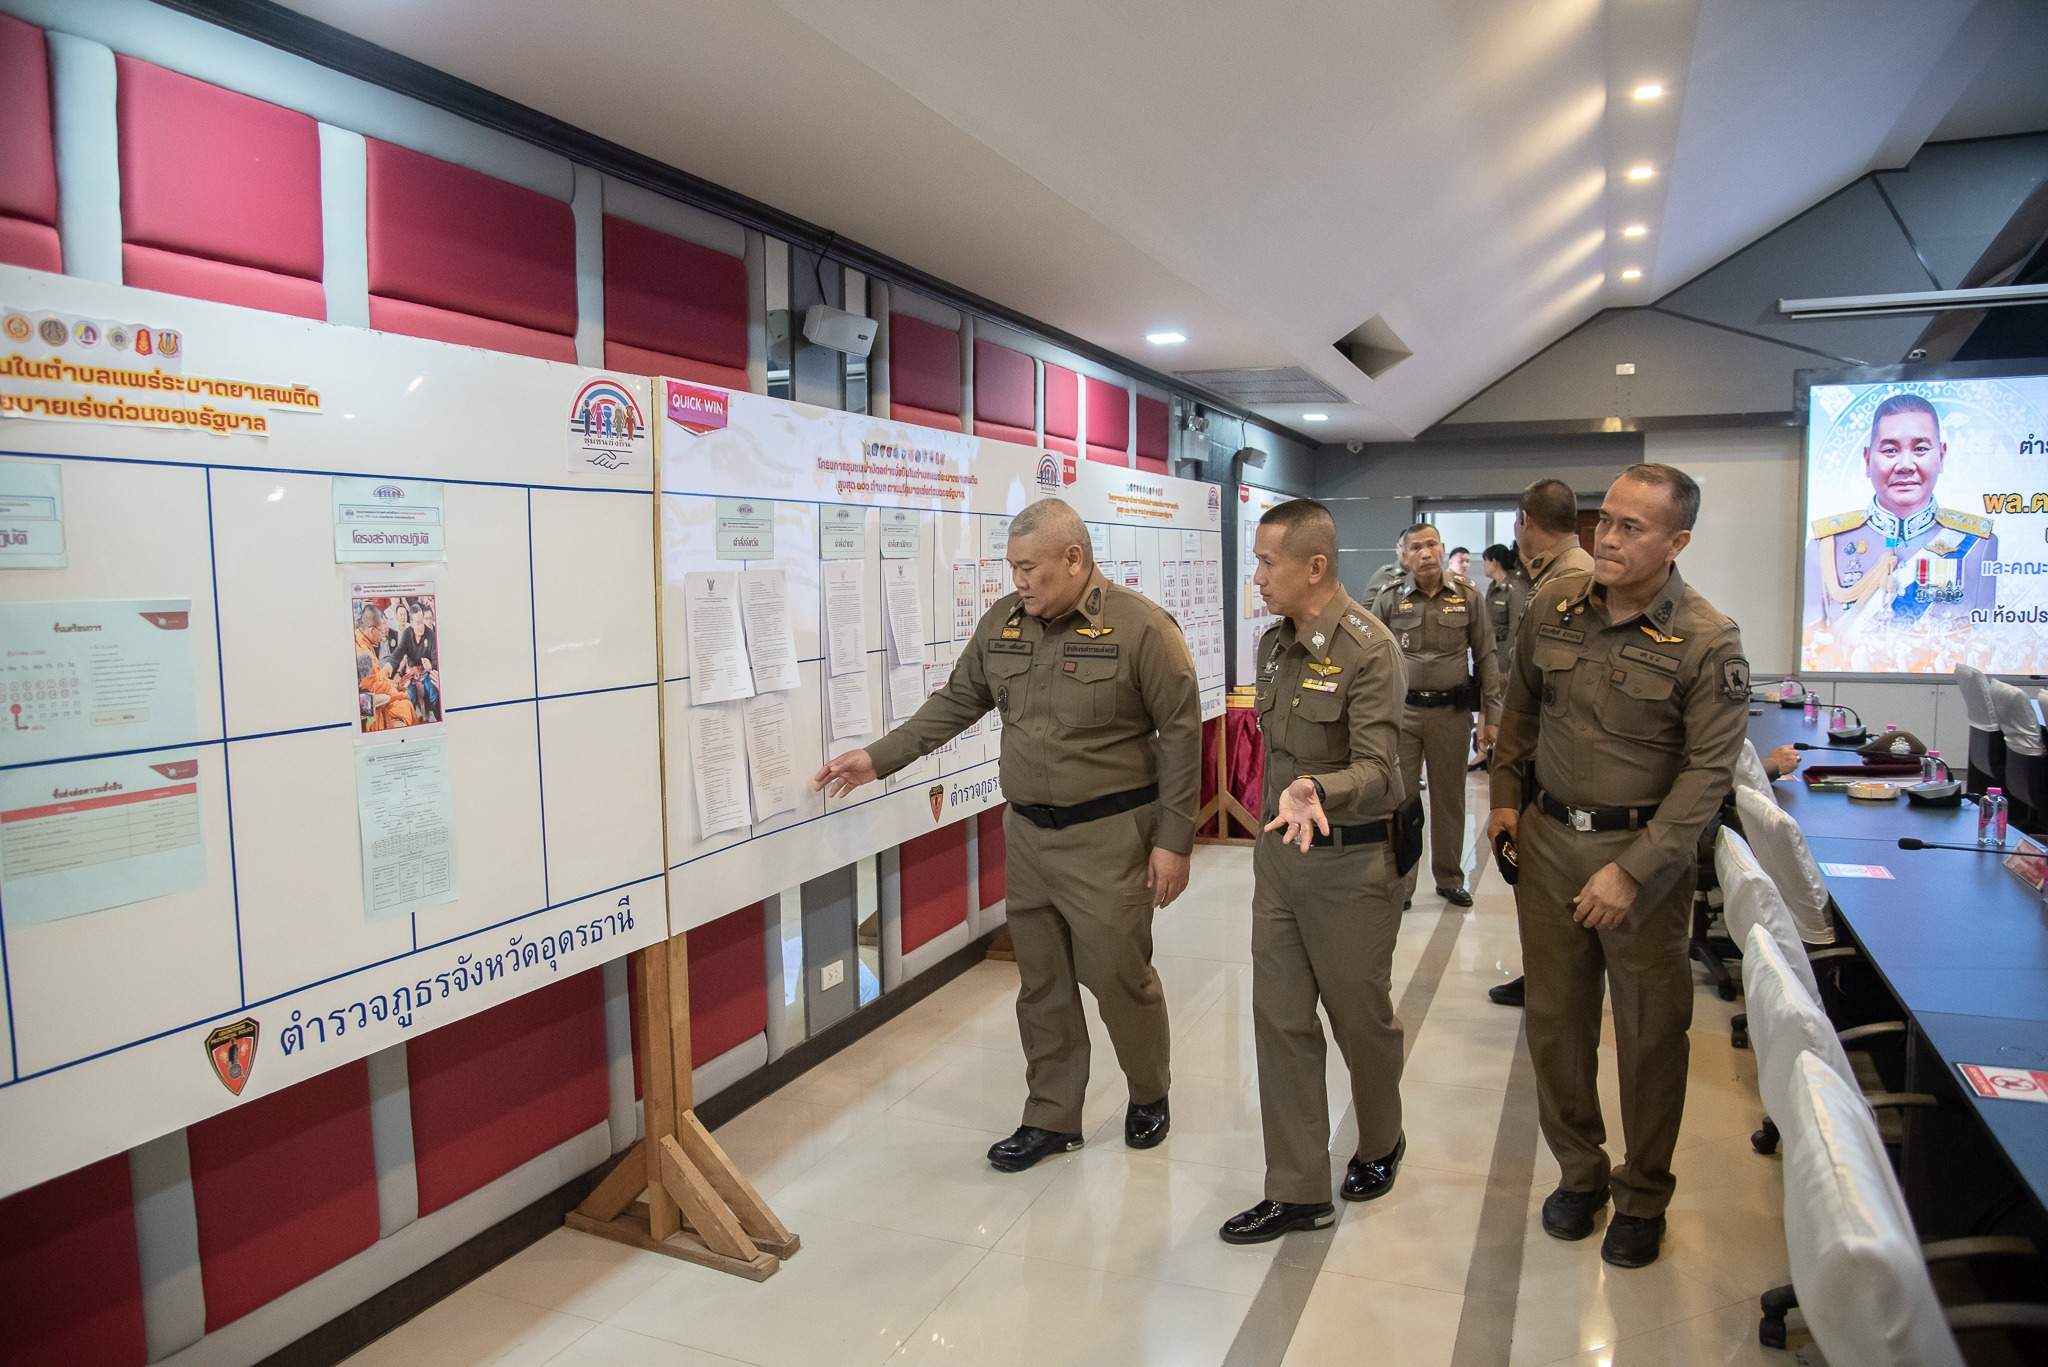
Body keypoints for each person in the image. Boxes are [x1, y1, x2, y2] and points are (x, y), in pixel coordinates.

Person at [813, 497, 1200, 1173]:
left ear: (1074, 559)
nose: (1018, 580)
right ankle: (1052, 1115)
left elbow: (1182, 733)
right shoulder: (1004, 624)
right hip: (1027, 835)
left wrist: (1175, 840)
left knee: (1118, 975)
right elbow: (956, 702)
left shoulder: (1140, 627)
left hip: (1110, 836)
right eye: (1012, 567)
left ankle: (1148, 1091)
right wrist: (878, 758)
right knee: (1041, 983)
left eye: (1029, 567)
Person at [1487, 463, 1748, 1270]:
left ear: (1677, 542)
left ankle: (1642, 1195)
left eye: (1632, 527)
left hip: (1645, 864)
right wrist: (1504, 800)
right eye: (1606, 520)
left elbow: (1708, 775)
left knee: (1649, 1036)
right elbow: (1520, 708)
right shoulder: (1556, 608)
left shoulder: (1706, 637)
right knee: (1556, 1024)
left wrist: (1633, 871)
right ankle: (1580, 1171)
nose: (1607, 537)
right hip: (1549, 844)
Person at [1219, 499, 1410, 1244]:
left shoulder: (1369, 649)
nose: (1258, 578)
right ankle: (1297, 1189)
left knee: (1360, 1020)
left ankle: (1382, 1137)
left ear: (1315, 566)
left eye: (1268, 563)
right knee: (1280, 1020)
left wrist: (1318, 788)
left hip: (1352, 866)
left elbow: (1381, 770)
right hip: (1282, 862)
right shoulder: (1273, 645)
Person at [1486, 479, 1598, 1008]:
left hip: (1552, 764)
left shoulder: (1570, 582)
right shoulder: (1553, 577)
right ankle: (1544, 975)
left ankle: (1553, 982)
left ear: (1525, 522)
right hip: (1541, 761)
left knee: (1551, 894)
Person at [1802, 393, 1995, 665]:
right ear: (1867, 459)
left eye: (1920, 449)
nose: (1905, 465)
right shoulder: (1826, 545)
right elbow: (1812, 649)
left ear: (1941, 455)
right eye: (1890, 451)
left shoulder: (1977, 544)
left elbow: (1984, 647)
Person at [1372, 523, 1497, 909]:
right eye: (1416, 547)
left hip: (1451, 714)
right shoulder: (1390, 597)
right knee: (1402, 800)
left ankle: (1449, 877)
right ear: (1403, 555)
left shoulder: (1468, 595)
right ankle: (1403, 883)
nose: (1425, 553)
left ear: (1442, 549)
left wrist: (1491, 715)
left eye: (1431, 545)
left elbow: (1487, 655)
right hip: (1404, 715)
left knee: (1449, 800)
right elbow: (1370, 658)